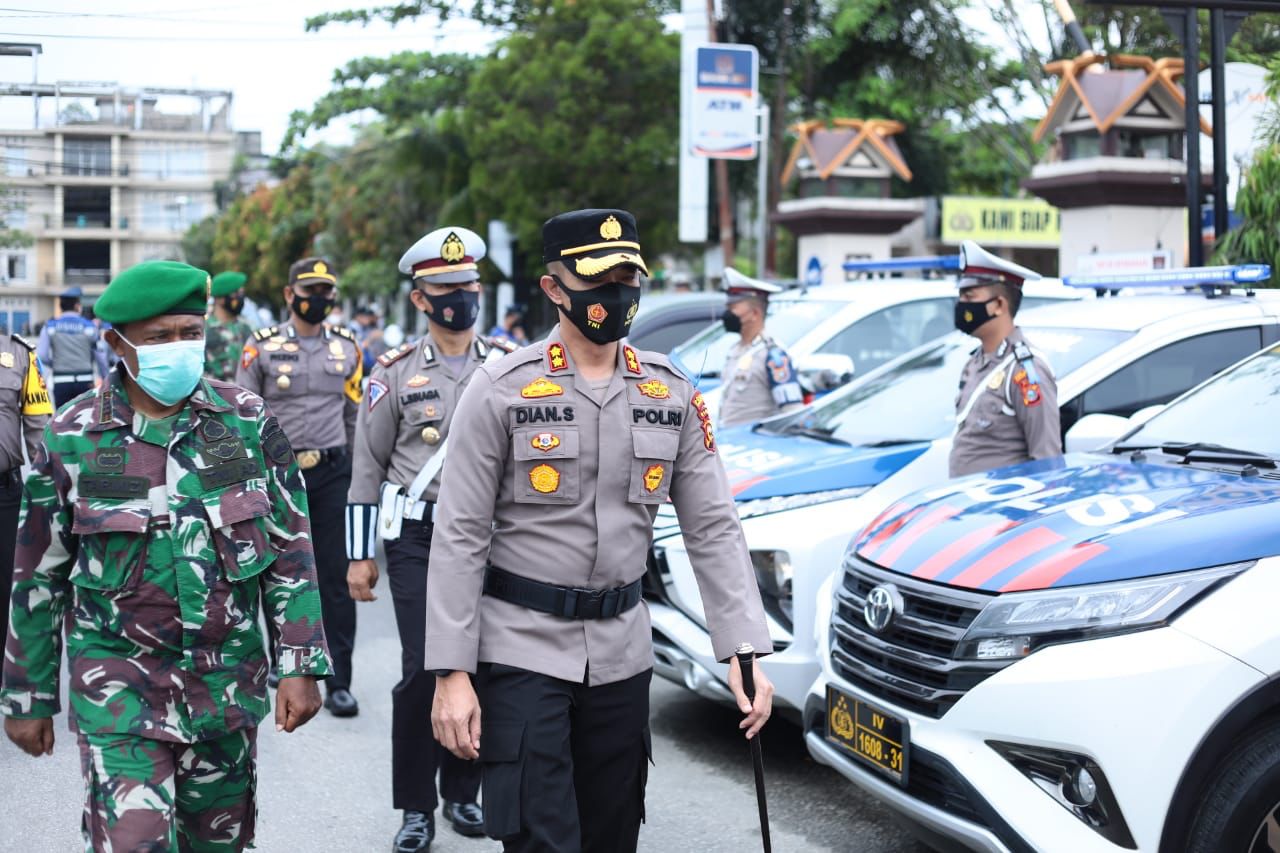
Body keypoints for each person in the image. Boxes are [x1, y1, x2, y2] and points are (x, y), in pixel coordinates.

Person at [425, 208, 775, 852]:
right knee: (540, 839)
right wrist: (451, 672)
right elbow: (459, 534)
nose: (615, 294)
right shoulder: (501, 389)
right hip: (521, 649)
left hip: (621, 653)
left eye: (626, 277)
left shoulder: (670, 393)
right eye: (597, 278)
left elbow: (712, 526)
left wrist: (743, 649)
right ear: (555, 288)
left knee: (612, 836)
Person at [1, 261, 331, 852]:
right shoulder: (72, 437)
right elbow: (38, 573)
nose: (179, 348)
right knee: (134, 844)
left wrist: (301, 663)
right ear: (117, 345)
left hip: (225, 689)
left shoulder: (246, 421)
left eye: (189, 332)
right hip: (119, 692)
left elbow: (290, 548)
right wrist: (29, 696)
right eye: (159, 338)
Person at [347, 226, 513, 852]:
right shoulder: (392, 374)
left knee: (483, 663)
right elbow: (367, 465)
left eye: (468, 286)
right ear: (420, 299)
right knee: (425, 670)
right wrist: (360, 555)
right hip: (419, 537)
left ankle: (462, 794)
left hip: (492, 540)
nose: (460, 298)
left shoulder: (506, 366)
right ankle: (416, 808)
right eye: (445, 289)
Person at [236, 257, 364, 717]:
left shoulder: (349, 347)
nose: (319, 300)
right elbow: (242, 412)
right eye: (310, 291)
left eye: (326, 291)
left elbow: (354, 415)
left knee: (335, 576)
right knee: (276, 569)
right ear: (290, 295)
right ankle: (281, 660)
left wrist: (359, 475)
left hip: (331, 473)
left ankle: (341, 681)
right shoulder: (261, 347)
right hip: (277, 472)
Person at [949, 240, 1061, 477]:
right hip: (969, 507)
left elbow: (1047, 462)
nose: (962, 306)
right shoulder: (976, 362)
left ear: (999, 305)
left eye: (969, 298)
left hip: (1002, 509)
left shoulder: (1026, 372)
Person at [0, 330, 53, 645]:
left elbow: (39, 432)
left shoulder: (19, 354)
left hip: (4, 495)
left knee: (7, 594)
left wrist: (54, 494)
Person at [716, 268, 804, 429]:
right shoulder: (735, 350)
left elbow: (793, 414)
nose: (727, 314)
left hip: (754, 447)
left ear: (755, 314)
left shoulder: (773, 356)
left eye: (733, 308)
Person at [37, 286, 110, 407]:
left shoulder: (50, 326)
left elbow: (42, 355)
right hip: (85, 380)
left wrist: (55, 363)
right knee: (84, 420)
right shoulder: (89, 327)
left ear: (61, 306)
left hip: (61, 380)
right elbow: (100, 357)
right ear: (77, 306)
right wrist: (106, 379)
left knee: (63, 421)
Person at [205, 271, 255, 381]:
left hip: (245, 393)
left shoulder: (247, 327)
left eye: (242, 293)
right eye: (236, 293)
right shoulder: (203, 329)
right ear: (220, 299)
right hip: (213, 393)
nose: (241, 298)